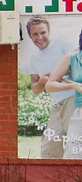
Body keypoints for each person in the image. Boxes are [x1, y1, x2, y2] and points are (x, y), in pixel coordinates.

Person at [25, 16, 74, 159]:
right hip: (57, 105)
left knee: (75, 143)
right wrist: (43, 81)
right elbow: (35, 89)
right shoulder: (33, 59)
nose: (40, 37)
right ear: (30, 35)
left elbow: (78, 67)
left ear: (49, 31)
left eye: (43, 33)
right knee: (49, 148)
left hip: (73, 99)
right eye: (35, 34)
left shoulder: (63, 44)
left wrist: (59, 74)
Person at [42, 27, 82, 158]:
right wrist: (74, 86)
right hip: (79, 113)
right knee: (73, 156)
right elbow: (49, 85)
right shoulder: (73, 58)